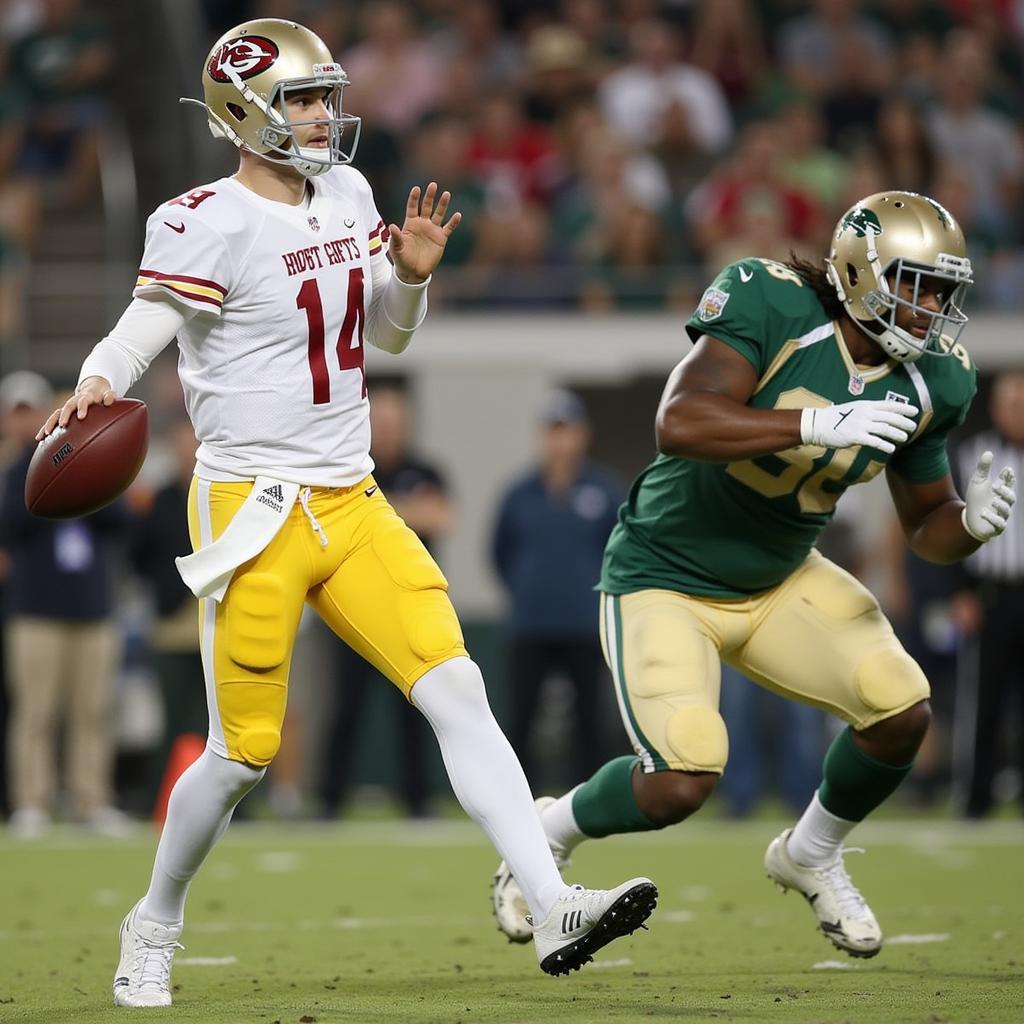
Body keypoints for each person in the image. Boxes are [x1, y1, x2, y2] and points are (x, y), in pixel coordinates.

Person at [36, 19, 655, 1010]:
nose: (324, 114)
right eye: (302, 98)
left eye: (326, 94)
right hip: (252, 505)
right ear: (246, 111)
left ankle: (550, 901)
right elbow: (144, 321)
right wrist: (95, 381)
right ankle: (152, 920)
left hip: (352, 495)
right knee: (241, 756)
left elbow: (390, 339)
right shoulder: (205, 218)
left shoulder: (352, 192)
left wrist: (409, 276)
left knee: (457, 686)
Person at [491, 190, 1016, 960]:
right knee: (681, 780)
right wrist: (812, 422)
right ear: (862, 273)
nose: (933, 307)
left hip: (779, 576)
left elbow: (926, 523)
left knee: (900, 709)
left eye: (944, 290)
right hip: (664, 573)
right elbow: (681, 420)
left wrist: (967, 527)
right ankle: (547, 831)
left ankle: (809, 853)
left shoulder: (935, 378)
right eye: (918, 284)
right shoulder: (772, 302)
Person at [0, 370, 127, 838]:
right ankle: (31, 802)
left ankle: (90, 799)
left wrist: (83, 467)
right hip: (36, 610)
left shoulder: (91, 462)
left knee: (92, 711)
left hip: (92, 607)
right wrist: (48, 472)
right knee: (36, 711)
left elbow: (120, 521)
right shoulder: (16, 471)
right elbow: (15, 521)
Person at [318, 383, 451, 819]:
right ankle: (329, 801)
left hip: (408, 609)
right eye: (382, 420)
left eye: (397, 421)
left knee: (416, 709)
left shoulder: (426, 469)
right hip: (353, 608)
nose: (389, 429)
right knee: (346, 710)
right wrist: (404, 512)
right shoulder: (352, 468)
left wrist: (380, 515)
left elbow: (441, 516)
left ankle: (418, 802)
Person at [491, 389, 623, 789]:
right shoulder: (519, 492)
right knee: (521, 718)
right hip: (531, 624)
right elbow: (499, 552)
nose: (560, 440)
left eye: (567, 430)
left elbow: (620, 548)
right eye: (553, 431)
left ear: (582, 434)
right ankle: (518, 799)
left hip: (584, 624)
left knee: (590, 719)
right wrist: (525, 589)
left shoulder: (603, 490)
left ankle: (589, 799)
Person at [947, 371, 1024, 818]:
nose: (1017, 412)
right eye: (1011, 403)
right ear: (995, 407)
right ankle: (976, 797)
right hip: (989, 593)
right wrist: (960, 593)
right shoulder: (972, 455)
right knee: (984, 701)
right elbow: (950, 526)